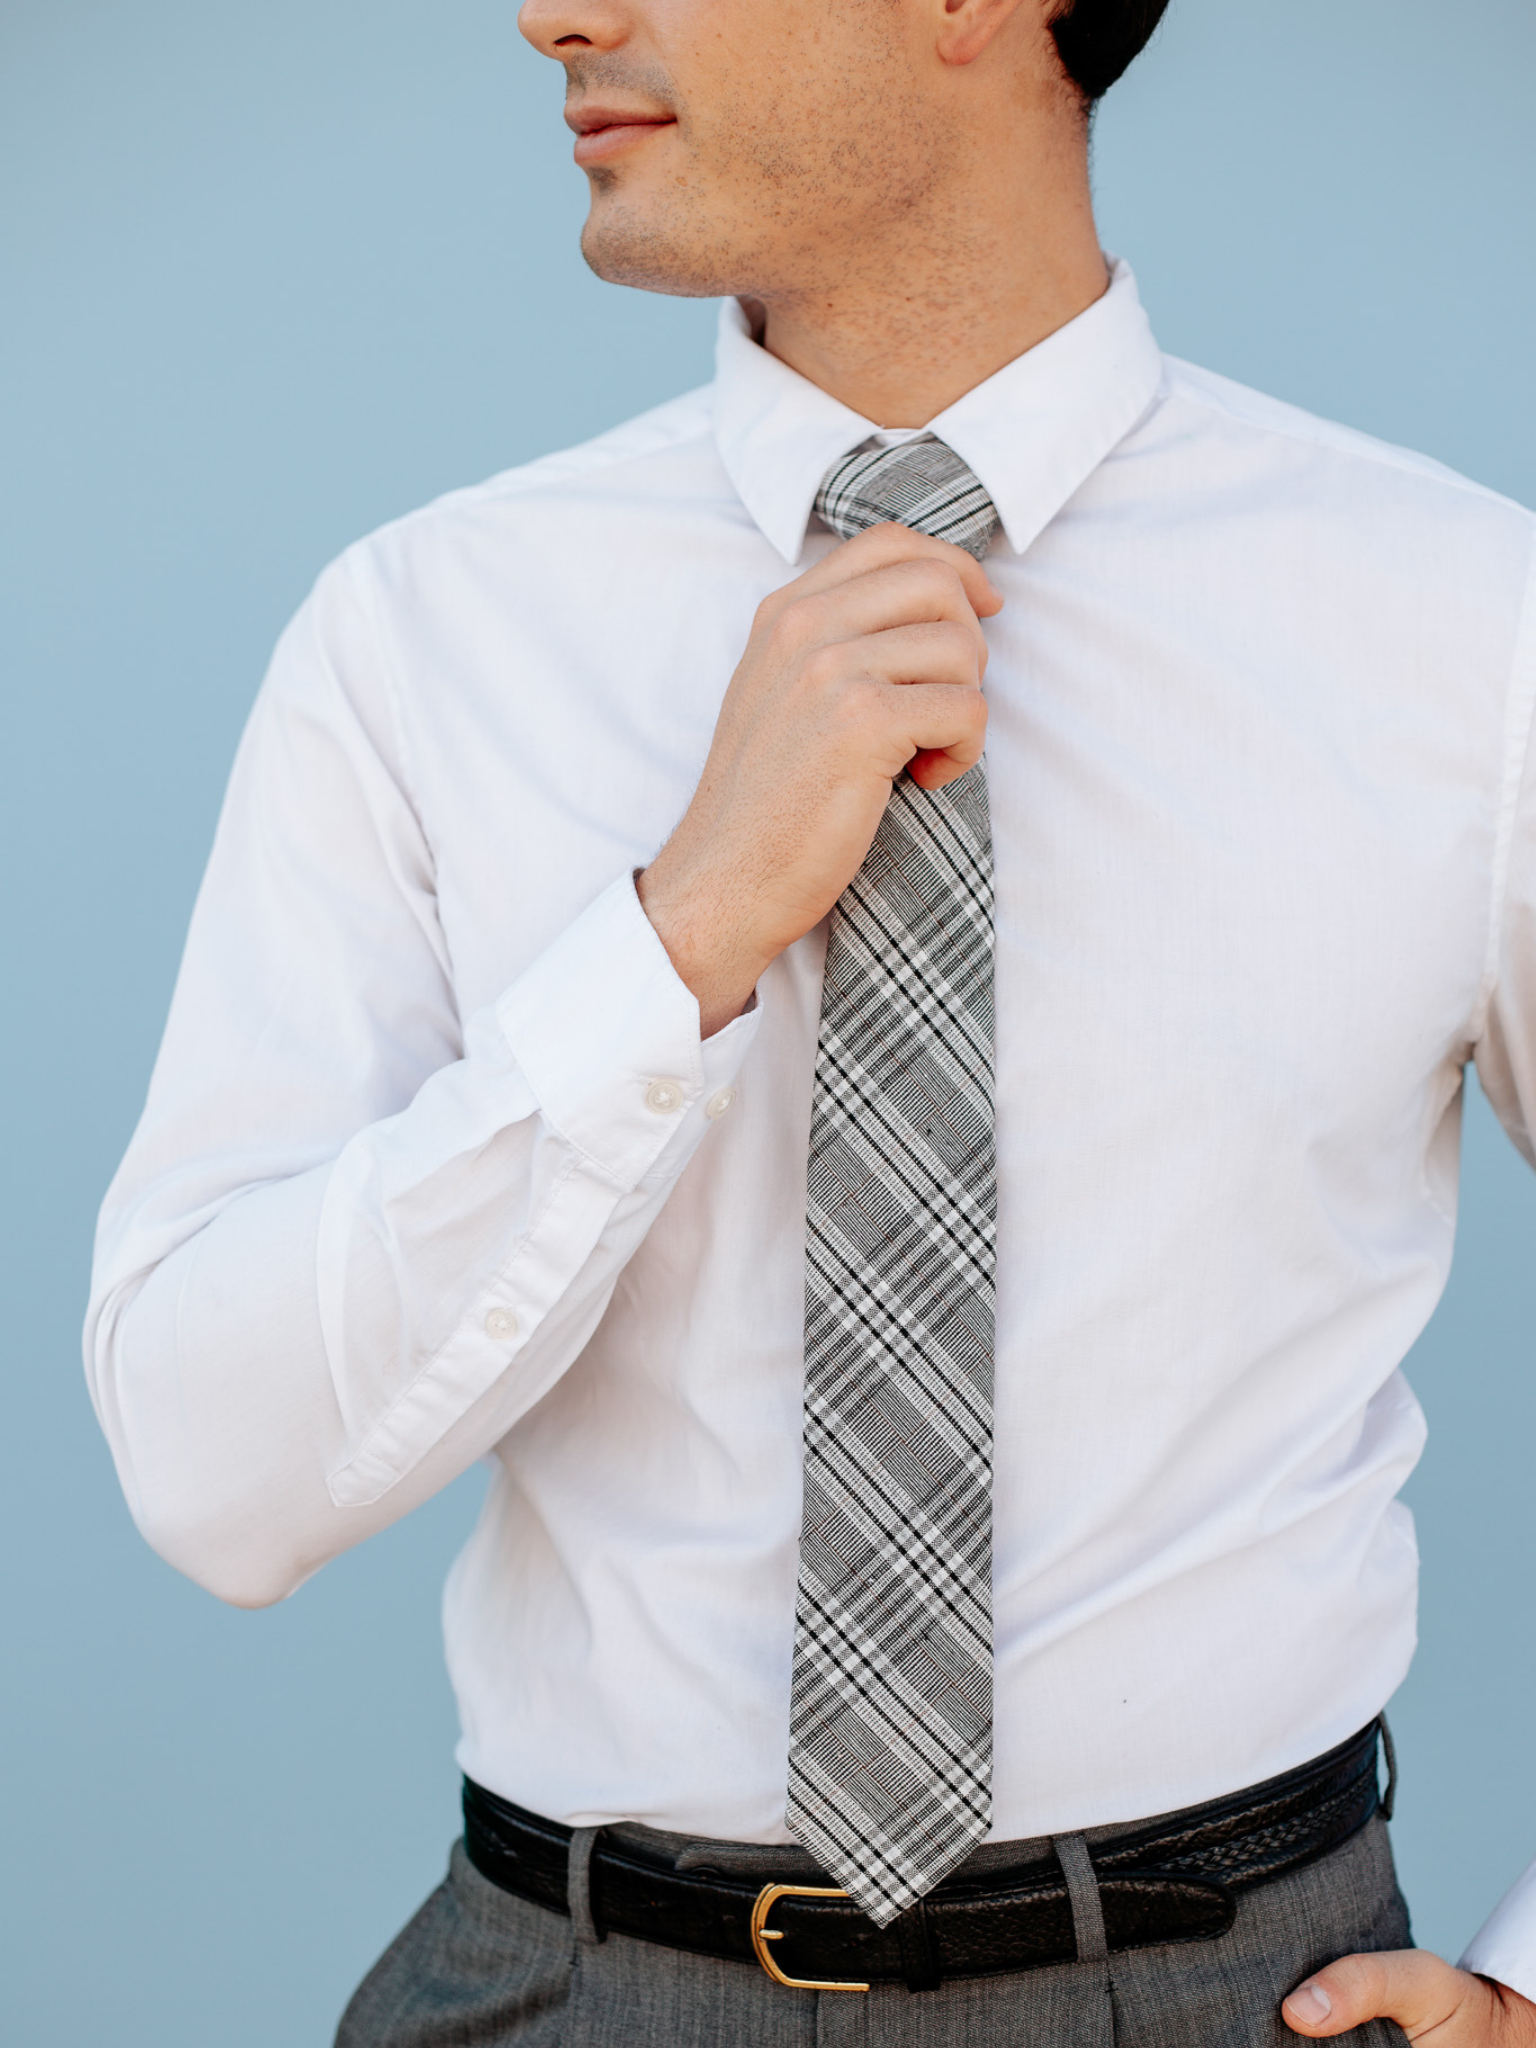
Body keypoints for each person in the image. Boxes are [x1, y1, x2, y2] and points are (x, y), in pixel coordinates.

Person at [85, 0, 1536, 2040]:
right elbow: (212, 1471)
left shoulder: (1468, 635)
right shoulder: (421, 635)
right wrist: (670, 942)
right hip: (574, 1993)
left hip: (1236, 1993)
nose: (551, 11)